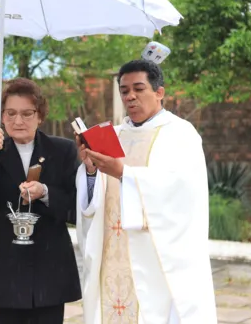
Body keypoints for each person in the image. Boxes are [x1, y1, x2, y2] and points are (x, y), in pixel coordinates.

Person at [75, 59, 217, 323]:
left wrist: (124, 173)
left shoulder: (180, 134)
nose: (130, 96)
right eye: (124, 90)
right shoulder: (113, 135)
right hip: (112, 252)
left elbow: (181, 191)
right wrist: (91, 170)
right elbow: (94, 200)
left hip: (155, 257)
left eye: (138, 89)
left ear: (159, 92)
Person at [0, 78, 82, 324]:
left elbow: (76, 209)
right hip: (5, 270)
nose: (18, 121)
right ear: (2, 117)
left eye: (27, 114)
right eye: (11, 113)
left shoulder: (63, 151)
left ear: (40, 116)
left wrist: (46, 192)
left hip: (49, 270)